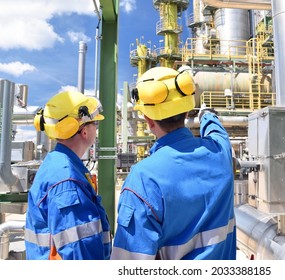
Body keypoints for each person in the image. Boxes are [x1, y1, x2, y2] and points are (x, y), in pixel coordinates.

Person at [111, 67, 236, 260]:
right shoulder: (220, 153)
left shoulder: (144, 179)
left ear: (148, 120)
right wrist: (207, 115)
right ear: (186, 112)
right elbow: (217, 133)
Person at [24, 91, 111, 260]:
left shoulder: (60, 165)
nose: (96, 129)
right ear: (84, 131)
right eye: (95, 124)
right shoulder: (67, 180)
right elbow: (79, 252)